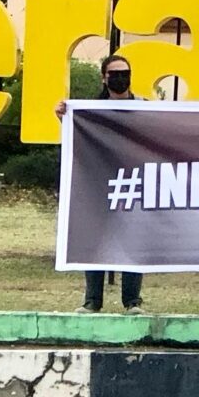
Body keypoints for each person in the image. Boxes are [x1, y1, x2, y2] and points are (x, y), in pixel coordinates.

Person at [80, 53, 145, 314]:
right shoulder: (89, 110)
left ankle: (132, 301)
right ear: (104, 78)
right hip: (100, 181)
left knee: (133, 239)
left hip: (134, 180)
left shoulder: (144, 106)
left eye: (125, 74)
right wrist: (63, 115)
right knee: (96, 239)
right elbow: (76, 133)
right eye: (114, 74)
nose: (120, 79)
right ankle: (92, 301)